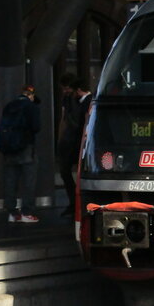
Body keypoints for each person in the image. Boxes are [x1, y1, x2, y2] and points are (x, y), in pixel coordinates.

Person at [0, 84, 42, 223]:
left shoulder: (9, 106)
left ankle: (12, 213)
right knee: (29, 181)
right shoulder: (31, 106)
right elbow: (36, 127)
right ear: (31, 95)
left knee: (10, 181)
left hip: (9, 148)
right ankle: (26, 213)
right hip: (26, 148)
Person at [57, 75, 91, 217]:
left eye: (67, 88)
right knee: (66, 171)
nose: (65, 91)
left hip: (77, 141)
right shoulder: (71, 99)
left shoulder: (83, 101)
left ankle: (77, 203)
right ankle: (74, 203)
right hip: (71, 141)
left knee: (72, 172)